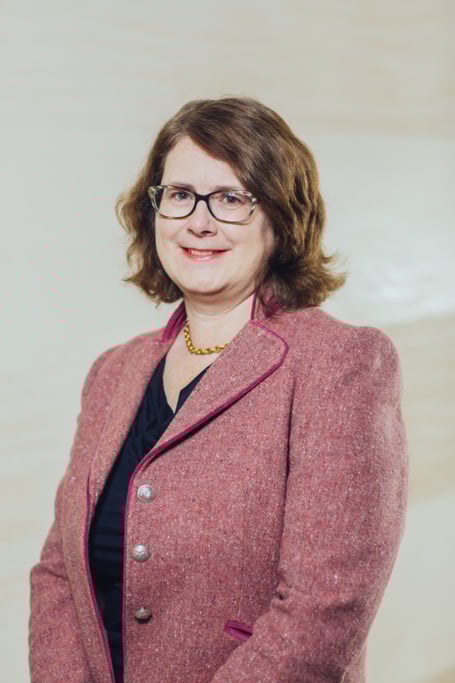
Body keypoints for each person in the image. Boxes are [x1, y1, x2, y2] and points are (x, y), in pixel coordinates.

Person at [29, 97, 408, 683]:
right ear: (153, 210)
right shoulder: (113, 372)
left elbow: (325, 607)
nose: (199, 222)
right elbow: (59, 574)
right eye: (180, 194)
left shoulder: (340, 363)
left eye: (231, 199)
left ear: (280, 218)